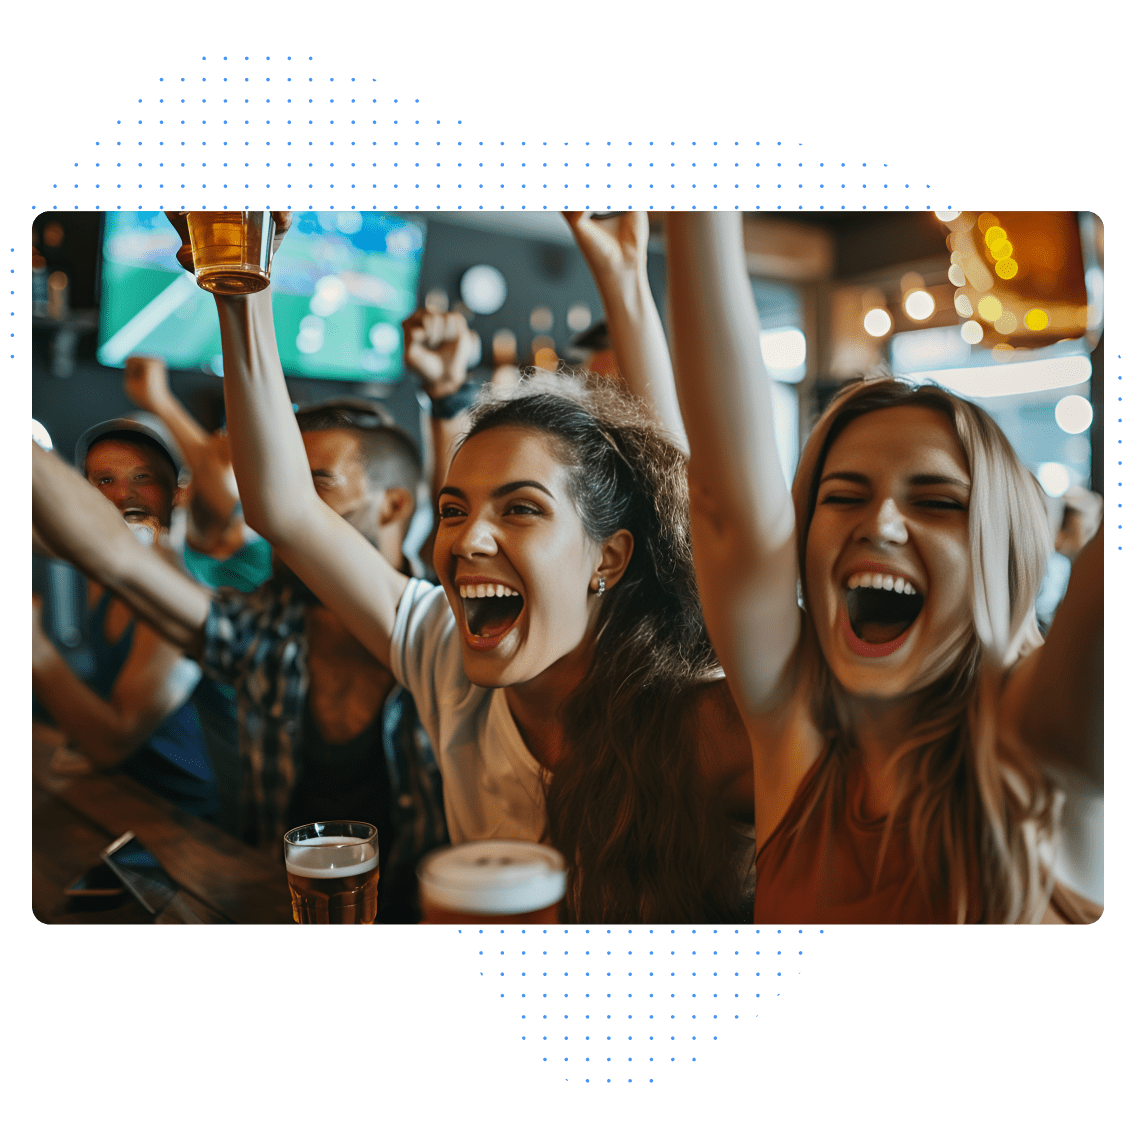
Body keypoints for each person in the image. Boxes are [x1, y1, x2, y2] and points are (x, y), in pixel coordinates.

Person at [205, 209, 754, 924]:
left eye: (520, 509)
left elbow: (695, 506)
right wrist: (241, 287)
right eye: (454, 509)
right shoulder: (444, 654)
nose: (467, 541)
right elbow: (285, 508)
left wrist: (627, 278)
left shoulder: (698, 720)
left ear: (610, 557)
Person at [664, 211, 1104, 925]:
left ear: (1004, 551)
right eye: (844, 497)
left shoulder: (1036, 746)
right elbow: (723, 506)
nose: (881, 523)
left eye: (937, 503)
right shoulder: (794, 733)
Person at [32, 396, 449, 922]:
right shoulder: (266, 630)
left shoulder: (447, 634)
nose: (281, 509)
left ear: (393, 506)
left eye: (313, 486)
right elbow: (118, 560)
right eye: (279, 487)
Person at [32, 420, 217, 818]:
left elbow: (112, 742)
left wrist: (33, 649)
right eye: (104, 481)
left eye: (142, 478)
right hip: (122, 797)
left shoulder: (179, 586)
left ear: (177, 492)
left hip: (185, 819)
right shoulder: (100, 579)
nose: (123, 494)